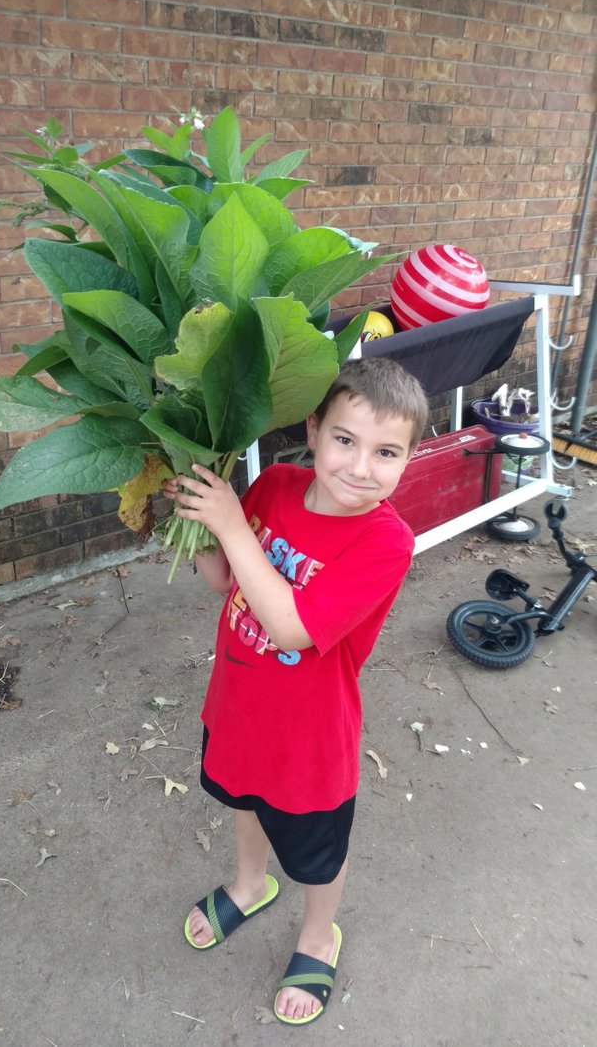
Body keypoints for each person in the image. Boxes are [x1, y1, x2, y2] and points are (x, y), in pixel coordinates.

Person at [161, 356, 428, 1026]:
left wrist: (226, 521)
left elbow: (289, 627)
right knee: (243, 801)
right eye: (345, 439)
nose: (361, 467)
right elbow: (226, 577)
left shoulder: (386, 541)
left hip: (311, 742)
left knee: (316, 853)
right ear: (312, 430)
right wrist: (195, 515)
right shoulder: (276, 484)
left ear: (409, 459)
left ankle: (318, 935)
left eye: (386, 452)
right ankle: (250, 885)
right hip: (237, 704)